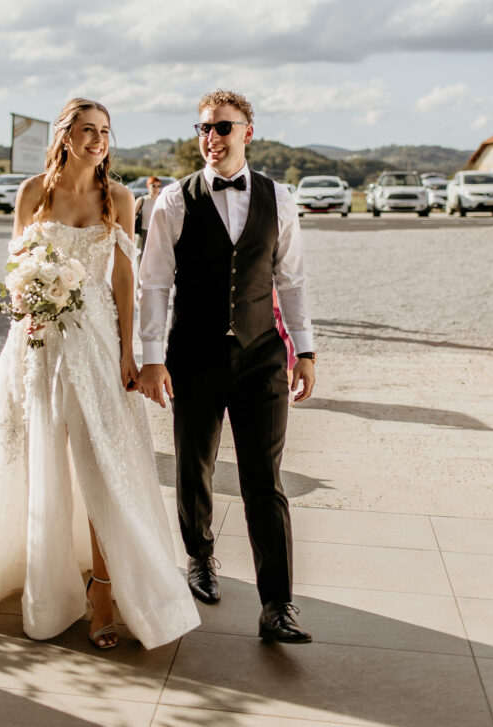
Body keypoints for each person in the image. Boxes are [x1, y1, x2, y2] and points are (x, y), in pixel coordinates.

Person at [0, 98, 199, 651]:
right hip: (37, 343)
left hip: (97, 343)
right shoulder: (32, 193)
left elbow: (124, 280)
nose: (98, 140)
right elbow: (16, 268)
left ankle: (104, 592)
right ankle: (40, 574)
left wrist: (129, 352)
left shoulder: (118, 198)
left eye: (105, 131)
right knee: (35, 454)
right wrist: (27, 301)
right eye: (88, 130)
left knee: (102, 461)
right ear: (66, 136)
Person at [138, 89, 316, 645]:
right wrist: (152, 358)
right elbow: (154, 284)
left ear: (247, 132)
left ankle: (277, 605)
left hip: (261, 356)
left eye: (221, 127)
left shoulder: (279, 198)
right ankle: (200, 555)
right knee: (195, 464)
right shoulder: (173, 201)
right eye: (203, 128)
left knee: (265, 479)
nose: (210, 138)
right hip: (193, 354)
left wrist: (305, 350)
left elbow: (292, 280)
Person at [134, 176, 162, 251]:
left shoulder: (161, 200)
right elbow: (131, 217)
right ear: (148, 186)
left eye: (158, 186)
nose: (156, 188)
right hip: (144, 232)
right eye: (153, 186)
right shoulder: (142, 200)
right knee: (141, 255)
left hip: (157, 233)